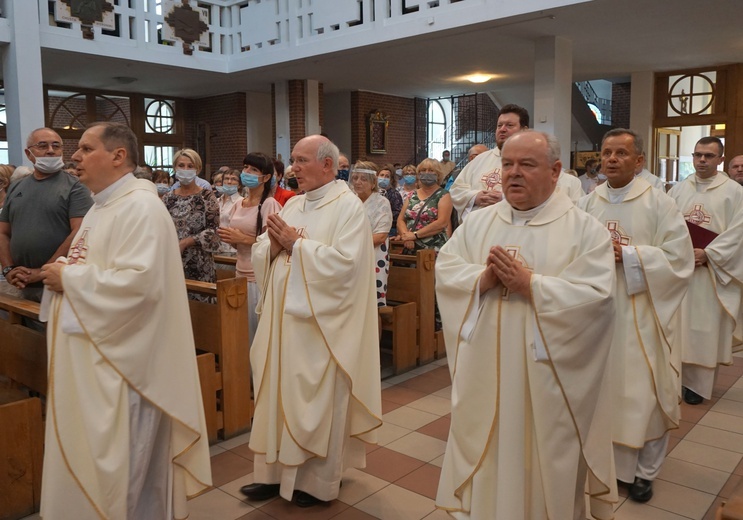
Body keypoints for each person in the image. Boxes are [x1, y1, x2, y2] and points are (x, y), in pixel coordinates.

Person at [435, 130, 617, 520]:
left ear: (555, 171)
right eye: (507, 164)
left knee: (541, 461)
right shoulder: (478, 222)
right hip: (483, 370)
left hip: (546, 379)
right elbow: (447, 270)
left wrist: (530, 285)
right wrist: (481, 280)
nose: (513, 173)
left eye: (526, 165)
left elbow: (597, 298)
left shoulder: (585, 230)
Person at [38, 121, 211, 519]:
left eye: (85, 148)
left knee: (126, 475)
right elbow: (96, 265)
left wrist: (69, 277)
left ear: (118, 156)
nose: (74, 157)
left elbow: (141, 286)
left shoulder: (140, 206)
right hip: (98, 362)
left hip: (127, 370)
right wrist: (65, 269)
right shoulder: (103, 205)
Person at [242, 135, 382, 507]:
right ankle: (271, 475)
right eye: (292, 160)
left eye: (302, 160)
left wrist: (295, 245)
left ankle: (315, 484)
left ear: (328, 165)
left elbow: (347, 266)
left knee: (316, 405)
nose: (293, 168)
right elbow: (263, 247)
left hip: (320, 328)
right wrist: (273, 246)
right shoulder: (295, 205)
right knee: (275, 397)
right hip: (281, 323)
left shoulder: (349, 207)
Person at [577, 128, 694, 503]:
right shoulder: (588, 203)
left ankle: (644, 472)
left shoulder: (660, 203)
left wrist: (627, 255)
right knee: (601, 392)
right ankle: (605, 465)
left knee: (645, 391)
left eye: (621, 153)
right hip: (600, 312)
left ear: (639, 161)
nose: (611, 159)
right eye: (607, 152)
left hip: (645, 314)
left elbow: (679, 259)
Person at [668, 137, 743, 405]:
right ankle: (674, 380)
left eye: (709, 156)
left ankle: (698, 387)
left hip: (711, 273)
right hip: (680, 270)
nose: (702, 160)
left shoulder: (735, 192)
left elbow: (739, 233)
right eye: (698, 155)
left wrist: (709, 254)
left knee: (703, 329)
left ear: (720, 159)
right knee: (678, 327)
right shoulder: (677, 190)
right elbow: (665, 224)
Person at [0, 128, 92, 302]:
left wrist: (44, 270)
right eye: (42, 146)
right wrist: (8, 269)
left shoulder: (75, 187)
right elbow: (3, 232)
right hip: (20, 282)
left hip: (56, 283)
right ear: (29, 154)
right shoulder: (16, 187)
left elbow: (79, 232)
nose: (50, 150)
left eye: (56, 146)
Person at [217, 153, 281, 340]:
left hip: (258, 275)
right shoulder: (239, 203)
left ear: (266, 177)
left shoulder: (269, 204)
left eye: (254, 170)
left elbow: (273, 244)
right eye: (245, 168)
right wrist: (232, 240)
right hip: (240, 271)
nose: (247, 172)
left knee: (259, 332)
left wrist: (243, 238)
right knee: (242, 332)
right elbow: (240, 243)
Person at [449, 104, 529, 221]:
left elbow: (541, 197)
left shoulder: (534, 162)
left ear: (524, 130)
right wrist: (475, 197)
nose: (502, 129)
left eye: (509, 125)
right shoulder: (479, 160)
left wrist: (504, 199)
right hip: (478, 228)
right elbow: (456, 190)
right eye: (499, 125)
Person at [162, 148, 221, 297]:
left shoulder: (207, 196)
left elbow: (213, 232)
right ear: (175, 167)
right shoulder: (168, 198)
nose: (185, 169)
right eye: (181, 165)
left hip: (199, 264)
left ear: (198, 169)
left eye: (190, 166)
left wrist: (186, 242)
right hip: (172, 262)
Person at [352, 161, 393, 306]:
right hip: (350, 256)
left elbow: (381, 236)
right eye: (355, 178)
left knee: (372, 305)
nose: (358, 182)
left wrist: (350, 243)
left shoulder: (381, 202)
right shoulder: (350, 201)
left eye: (363, 179)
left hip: (373, 255)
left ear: (373, 182)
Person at [396, 158, 452, 254]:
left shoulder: (444, 195)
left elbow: (442, 222)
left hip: (433, 247)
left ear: (438, 174)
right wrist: (406, 236)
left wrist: (415, 235)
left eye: (431, 170)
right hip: (410, 246)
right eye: (423, 170)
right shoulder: (412, 195)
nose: (427, 173)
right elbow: (401, 220)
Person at [377, 163, 403, 236]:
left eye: (387, 176)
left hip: (390, 228)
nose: (384, 178)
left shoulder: (395, 194)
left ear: (391, 179)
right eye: (381, 175)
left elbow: (398, 213)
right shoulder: (372, 192)